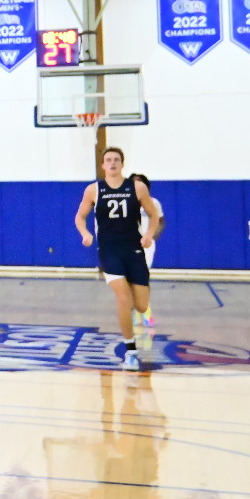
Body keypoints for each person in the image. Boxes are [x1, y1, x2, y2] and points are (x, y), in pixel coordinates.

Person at [75, 147, 161, 372]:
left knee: (141, 306)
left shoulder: (137, 187)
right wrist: (85, 234)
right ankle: (131, 351)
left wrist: (149, 235)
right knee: (123, 299)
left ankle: (136, 307)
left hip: (133, 250)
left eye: (116, 160)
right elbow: (80, 216)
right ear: (103, 165)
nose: (112, 163)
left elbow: (154, 215)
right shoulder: (94, 190)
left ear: (122, 164)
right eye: (108, 160)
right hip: (109, 251)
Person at [135, 173, 162, 328]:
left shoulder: (153, 203)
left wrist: (151, 236)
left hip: (146, 245)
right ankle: (140, 311)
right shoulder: (126, 204)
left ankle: (146, 311)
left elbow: (161, 222)